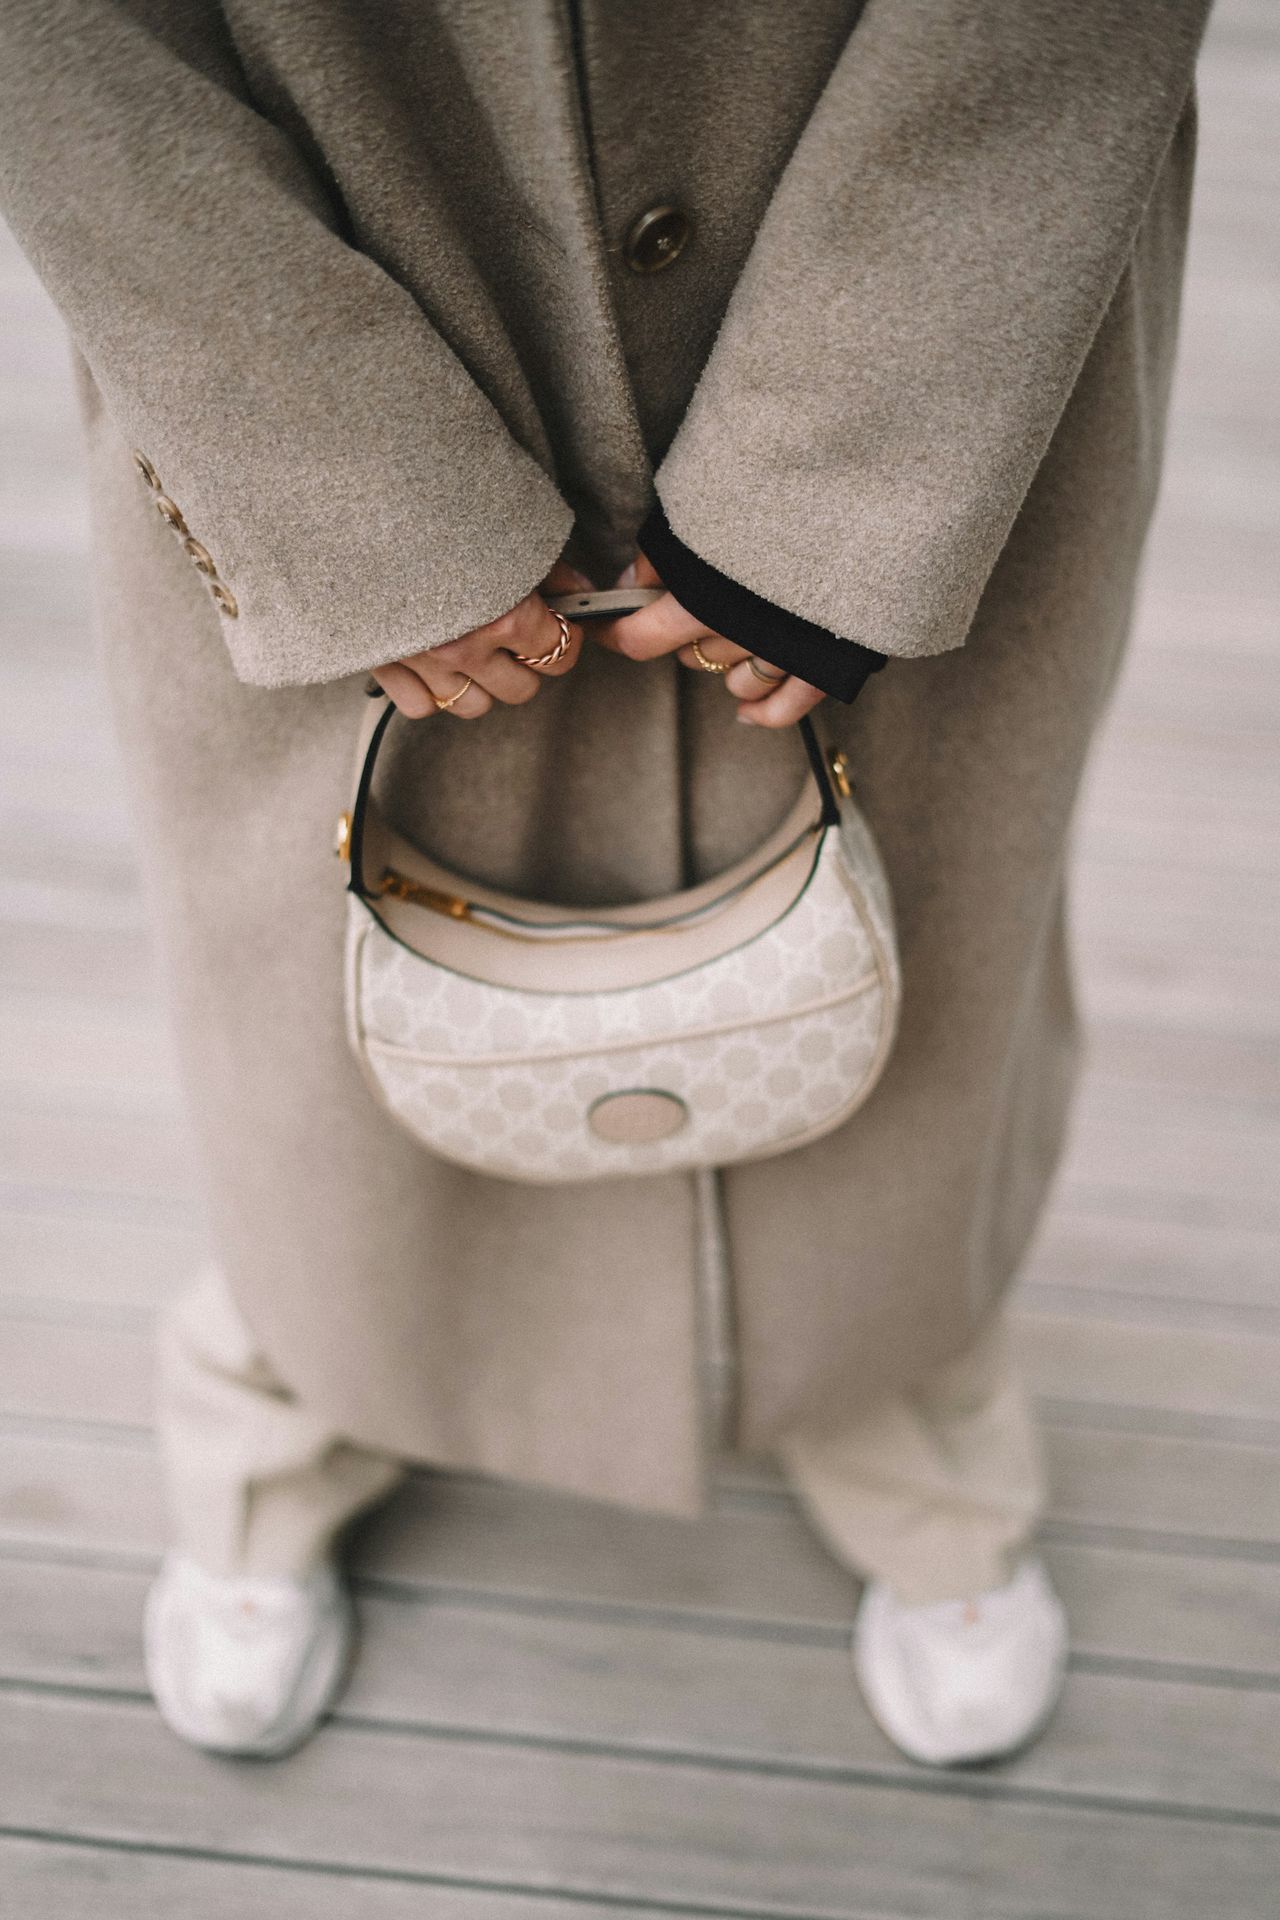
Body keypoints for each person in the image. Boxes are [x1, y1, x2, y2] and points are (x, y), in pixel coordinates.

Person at [0, 0, 1209, 1767]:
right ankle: (283, 1404)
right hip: (333, 284)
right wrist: (343, 491)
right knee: (306, 1026)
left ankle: (911, 1404)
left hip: (931, 308)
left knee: (929, 954)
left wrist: (842, 479)